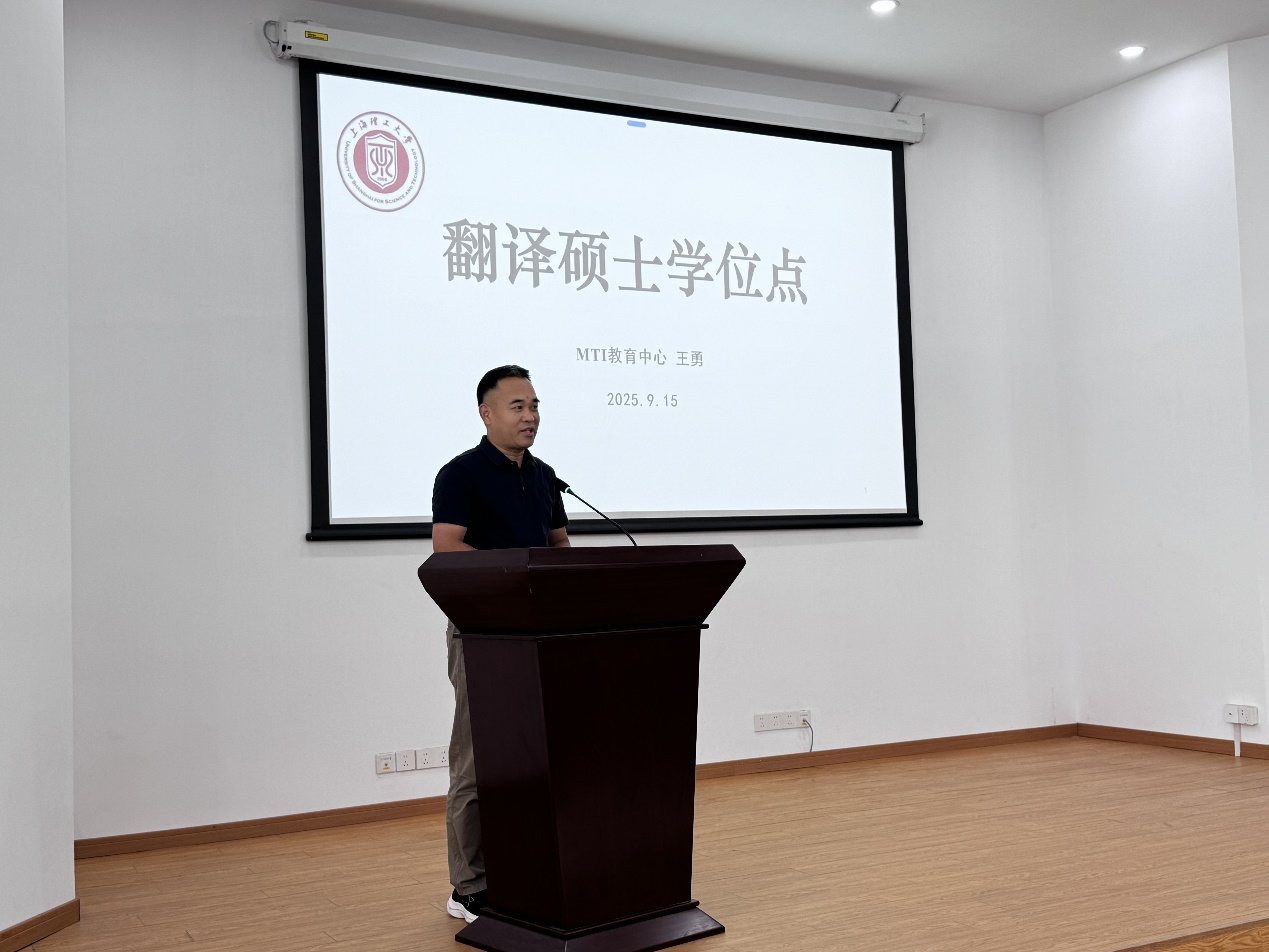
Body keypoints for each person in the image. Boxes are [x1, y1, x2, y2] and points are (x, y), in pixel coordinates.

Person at [430, 364, 570, 923]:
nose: (530, 416)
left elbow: (559, 548)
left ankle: (528, 866)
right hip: (483, 633)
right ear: (486, 413)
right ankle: (469, 887)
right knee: (476, 760)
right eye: (517, 406)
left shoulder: (546, 477)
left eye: (534, 406)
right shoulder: (460, 474)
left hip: (542, 633)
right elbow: (446, 547)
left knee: (537, 757)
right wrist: (520, 572)